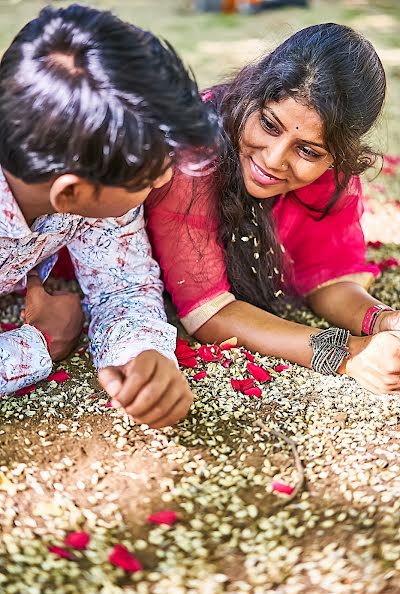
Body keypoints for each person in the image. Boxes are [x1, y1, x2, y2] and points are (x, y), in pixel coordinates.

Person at [147, 22, 400, 395]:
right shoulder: (193, 156)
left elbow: (324, 277)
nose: (273, 159)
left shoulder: (329, 177)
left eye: (308, 151)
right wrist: (350, 354)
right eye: (269, 124)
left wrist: (382, 321)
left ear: (337, 158)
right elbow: (209, 313)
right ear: (253, 95)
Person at [0, 4, 219, 427]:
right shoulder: (87, 168)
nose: (165, 180)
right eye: (150, 177)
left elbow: (123, 284)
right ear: (71, 193)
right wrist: (40, 343)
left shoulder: (83, 167)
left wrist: (143, 356)